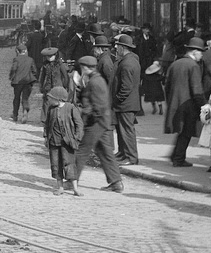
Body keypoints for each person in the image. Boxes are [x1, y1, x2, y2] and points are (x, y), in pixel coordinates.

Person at [73, 55, 123, 193]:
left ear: (85, 68)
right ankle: (116, 183)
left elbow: (97, 105)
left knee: (82, 151)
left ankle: (71, 180)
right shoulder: (95, 80)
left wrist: (85, 116)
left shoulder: (95, 82)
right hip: (102, 121)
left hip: (96, 123)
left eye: (82, 68)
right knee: (105, 152)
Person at [164, 36, 205, 167]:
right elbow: (196, 88)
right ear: (194, 52)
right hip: (188, 105)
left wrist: (170, 101)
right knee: (186, 132)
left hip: (175, 103)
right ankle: (178, 159)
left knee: (181, 131)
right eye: (200, 52)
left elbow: (167, 86)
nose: (201, 55)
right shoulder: (194, 66)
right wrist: (204, 106)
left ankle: (175, 155)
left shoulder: (175, 64)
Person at [44, 86, 84, 196]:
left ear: (59, 99)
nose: (50, 100)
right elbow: (47, 124)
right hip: (54, 142)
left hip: (68, 143)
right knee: (56, 165)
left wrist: (77, 138)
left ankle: (75, 188)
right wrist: (46, 137)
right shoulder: (51, 109)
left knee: (70, 164)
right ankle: (60, 187)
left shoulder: (71, 108)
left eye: (52, 98)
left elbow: (79, 124)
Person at [111, 33, 141, 165]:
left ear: (123, 47)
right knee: (123, 130)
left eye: (118, 47)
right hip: (128, 103)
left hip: (126, 104)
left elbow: (126, 87)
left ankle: (131, 157)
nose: (116, 49)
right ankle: (124, 154)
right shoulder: (131, 60)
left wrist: (117, 99)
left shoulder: (127, 64)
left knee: (127, 131)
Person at [8, 42, 37, 124]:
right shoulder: (30, 59)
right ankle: (25, 111)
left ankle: (15, 115)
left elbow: (13, 69)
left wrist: (11, 77)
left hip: (17, 82)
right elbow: (34, 70)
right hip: (28, 81)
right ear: (26, 51)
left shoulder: (16, 59)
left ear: (17, 51)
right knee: (25, 98)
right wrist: (32, 77)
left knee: (16, 98)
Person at [38, 47, 68, 121]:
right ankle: (45, 119)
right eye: (48, 56)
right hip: (48, 87)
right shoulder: (45, 64)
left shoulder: (60, 64)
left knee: (58, 103)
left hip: (58, 86)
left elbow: (65, 76)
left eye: (51, 56)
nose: (49, 58)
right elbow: (42, 76)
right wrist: (41, 86)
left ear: (55, 55)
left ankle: (58, 118)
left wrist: (64, 86)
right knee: (46, 102)